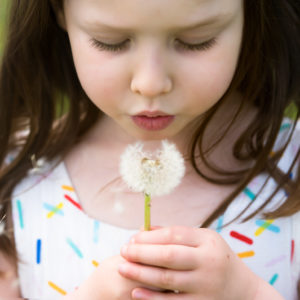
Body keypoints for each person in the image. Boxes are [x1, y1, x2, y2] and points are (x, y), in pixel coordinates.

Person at [0, 0, 299, 298]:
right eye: (111, 42)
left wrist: (249, 294)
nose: (151, 84)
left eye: (196, 41)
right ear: (59, 10)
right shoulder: (18, 173)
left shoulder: (293, 163)